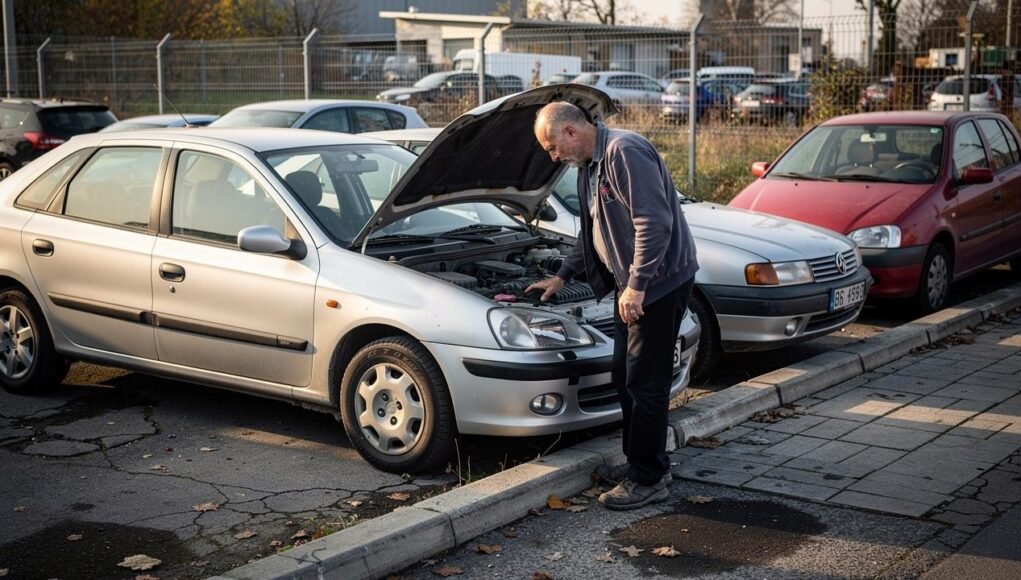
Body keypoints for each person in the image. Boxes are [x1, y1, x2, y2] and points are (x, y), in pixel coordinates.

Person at [526, 101, 698, 510]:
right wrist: (564, 274)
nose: (552, 157)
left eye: (552, 146)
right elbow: (594, 228)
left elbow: (653, 223)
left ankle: (648, 479)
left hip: (658, 284)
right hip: (635, 286)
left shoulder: (625, 152)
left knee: (644, 382)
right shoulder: (590, 165)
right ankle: (646, 462)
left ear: (570, 131)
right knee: (624, 376)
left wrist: (637, 286)